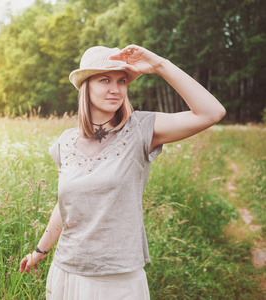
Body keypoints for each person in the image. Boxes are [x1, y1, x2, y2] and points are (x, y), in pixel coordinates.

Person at [19, 45, 226, 299]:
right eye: (105, 79)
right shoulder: (65, 142)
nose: (116, 89)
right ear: (86, 86)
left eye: (122, 81)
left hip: (117, 276)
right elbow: (65, 205)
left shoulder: (140, 129)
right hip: (67, 269)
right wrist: (40, 251)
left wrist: (160, 65)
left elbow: (212, 112)